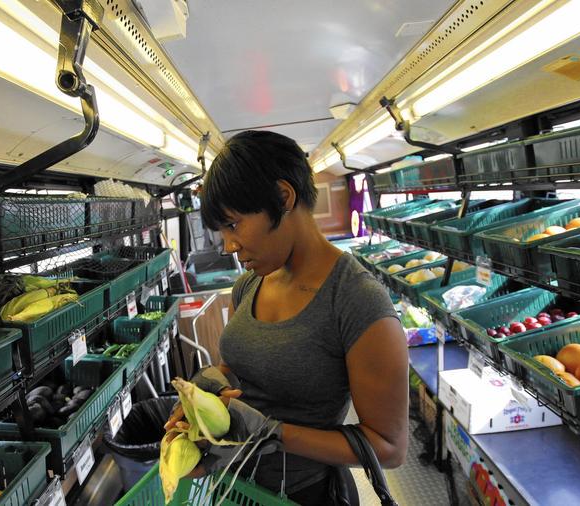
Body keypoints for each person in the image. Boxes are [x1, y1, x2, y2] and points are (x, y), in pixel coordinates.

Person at [165, 130, 409, 505]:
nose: (229, 246)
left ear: (283, 197)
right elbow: (243, 364)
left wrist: (269, 433)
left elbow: (389, 448)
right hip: (233, 486)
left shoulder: (356, 301)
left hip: (302, 494)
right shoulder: (251, 283)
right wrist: (206, 388)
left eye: (233, 225)